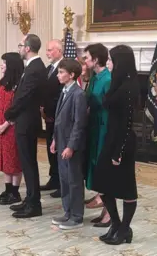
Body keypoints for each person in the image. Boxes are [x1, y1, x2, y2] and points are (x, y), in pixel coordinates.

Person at [92, 44, 139, 245]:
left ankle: (124, 228)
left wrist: (118, 152)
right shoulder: (117, 82)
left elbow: (127, 123)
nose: (108, 63)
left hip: (123, 143)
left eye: (111, 60)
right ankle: (117, 224)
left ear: (120, 62)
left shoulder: (130, 87)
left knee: (127, 188)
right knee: (101, 183)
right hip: (112, 138)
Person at [4, 34, 46, 218]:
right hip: (25, 120)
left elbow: (24, 96)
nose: (19, 48)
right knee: (27, 162)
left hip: (27, 121)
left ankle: (34, 204)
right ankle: (29, 199)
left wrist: (9, 114)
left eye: (21, 45)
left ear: (27, 48)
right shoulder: (32, 67)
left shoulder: (35, 68)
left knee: (29, 163)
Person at [49, 59, 88, 230]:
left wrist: (71, 146)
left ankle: (77, 216)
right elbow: (59, 120)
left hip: (71, 145)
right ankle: (68, 212)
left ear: (71, 75)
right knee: (64, 180)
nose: (58, 75)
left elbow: (79, 124)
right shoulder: (64, 91)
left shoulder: (78, 94)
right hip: (61, 141)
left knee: (74, 180)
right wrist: (55, 140)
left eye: (61, 72)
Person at [82, 43, 112, 227]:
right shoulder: (94, 77)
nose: (84, 60)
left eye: (87, 57)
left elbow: (107, 105)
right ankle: (104, 210)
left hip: (104, 127)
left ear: (96, 59)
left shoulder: (107, 79)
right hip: (93, 126)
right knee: (94, 164)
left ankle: (109, 213)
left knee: (104, 169)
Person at [0, 52, 24, 205]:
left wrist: (6, 124)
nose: (1, 65)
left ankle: (15, 192)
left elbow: (19, 109)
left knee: (14, 160)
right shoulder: (2, 82)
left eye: (4, 62)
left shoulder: (19, 84)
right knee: (4, 159)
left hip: (11, 128)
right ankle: (7, 189)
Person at [40, 39, 63, 198]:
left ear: (59, 50)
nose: (47, 53)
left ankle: (62, 183)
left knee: (59, 150)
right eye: (47, 50)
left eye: (50, 50)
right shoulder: (49, 69)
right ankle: (53, 178)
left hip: (58, 117)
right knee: (50, 148)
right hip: (48, 116)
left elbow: (62, 95)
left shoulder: (64, 68)